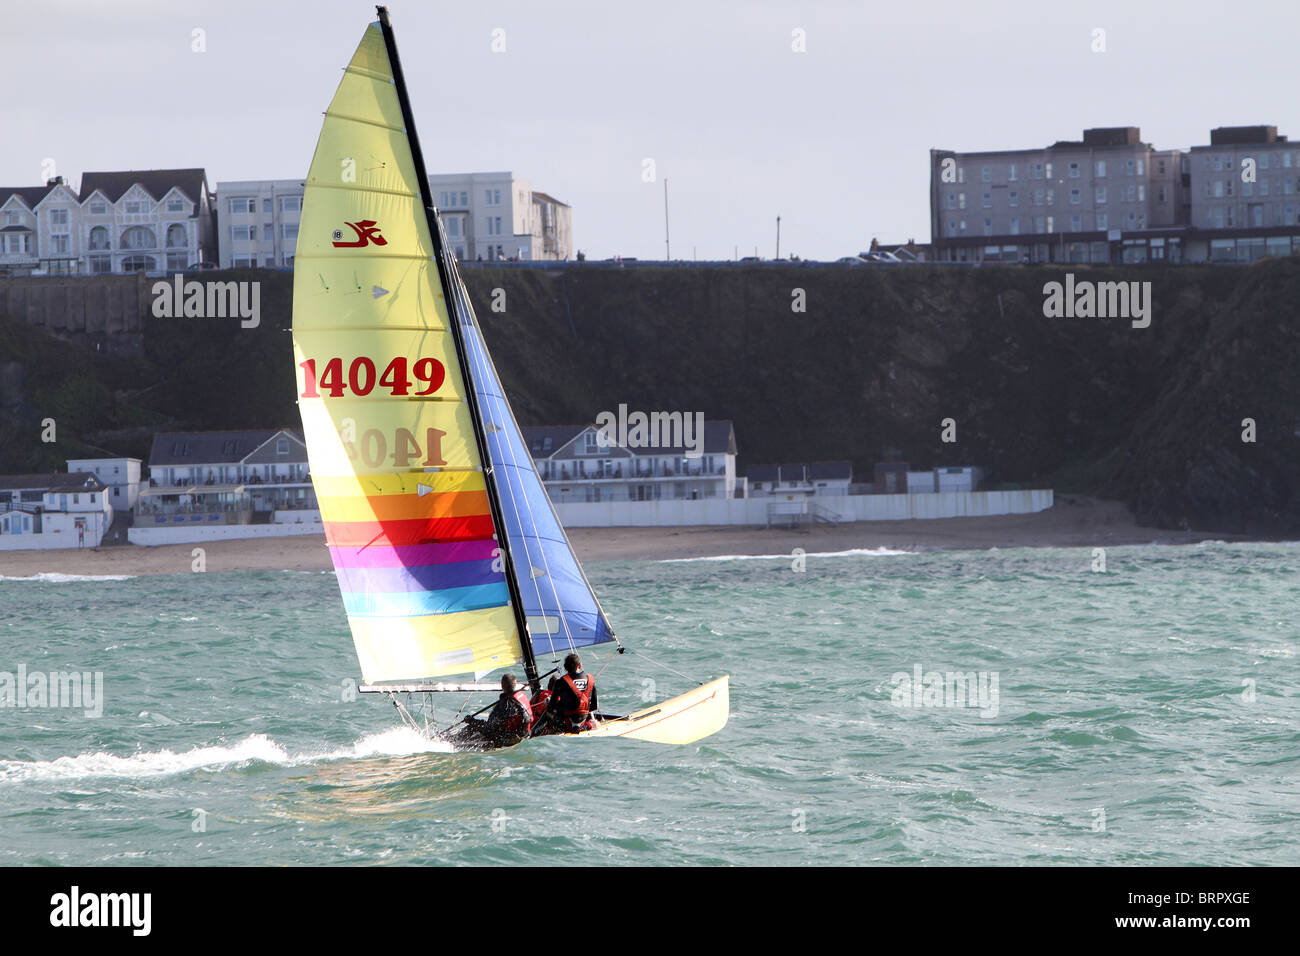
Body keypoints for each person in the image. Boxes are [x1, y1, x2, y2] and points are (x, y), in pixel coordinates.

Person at [548, 654, 598, 733]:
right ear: (579, 666)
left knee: (548, 708)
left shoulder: (560, 681)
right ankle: (588, 724)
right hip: (584, 722)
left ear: (565, 667)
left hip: (565, 724)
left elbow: (551, 706)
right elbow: (593, 706)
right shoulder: (590, 679)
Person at [486, 673, 533, 739]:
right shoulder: (522, 696)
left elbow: (490, 725)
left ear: (502, 686)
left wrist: (472, 721)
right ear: (515, 685)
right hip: (526, 733)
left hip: (509, 738)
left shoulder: (505, 704)